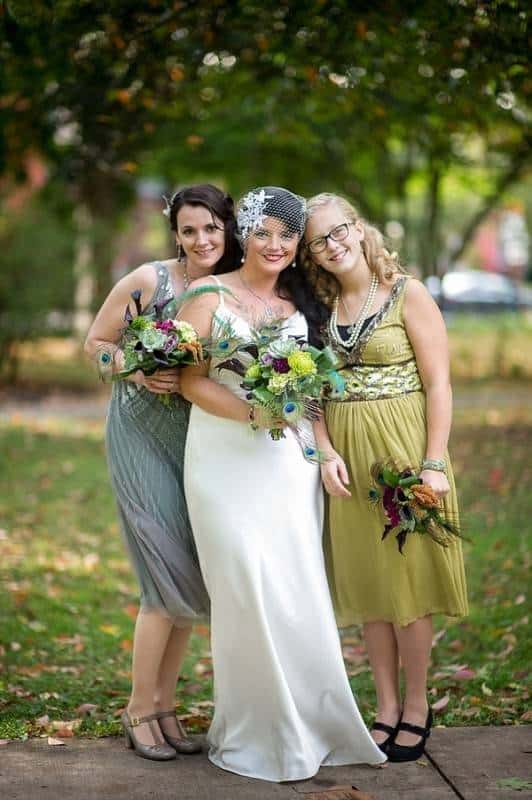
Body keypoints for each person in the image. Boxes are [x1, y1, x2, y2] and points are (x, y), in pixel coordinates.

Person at [178, 186, 386, 782]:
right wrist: (253, 414)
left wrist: (323, 453)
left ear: (298, 244)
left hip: (288, 467)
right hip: (222, 459)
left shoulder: (301, 299)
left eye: (288, 236)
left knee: (295, 589)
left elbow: (313, 388)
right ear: (244, 234)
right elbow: (192, 380)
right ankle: (258, 728)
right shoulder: (207, 295)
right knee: (245, 582)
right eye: (264, 232)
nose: (276, 245)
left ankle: (310, 723)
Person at [301, 193, 468, 762]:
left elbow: (439, 384)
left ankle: (418, 706)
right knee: (371, 588)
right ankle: (385, 706)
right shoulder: (318, 308)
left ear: (358, 226)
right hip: (347, 462)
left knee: (409, 587)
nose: (333, 244)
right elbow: (311, 390)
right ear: (313, 255)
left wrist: (434, 463)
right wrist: (324, 450)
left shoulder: (406, 293)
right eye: (319, 240)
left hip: (404, 455)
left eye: (338, 230)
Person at [84, 184, 241, 761]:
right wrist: (133, 369)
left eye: (211, 228)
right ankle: (137, 710)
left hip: (199, 440)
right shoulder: (150, 282)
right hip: (140, 434)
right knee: (160, 576)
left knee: (187, 577)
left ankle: (166, 706)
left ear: (227, 228)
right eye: (189, 229)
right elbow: (96, 344)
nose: (201, 239)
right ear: (175, 233)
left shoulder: (233, 285)